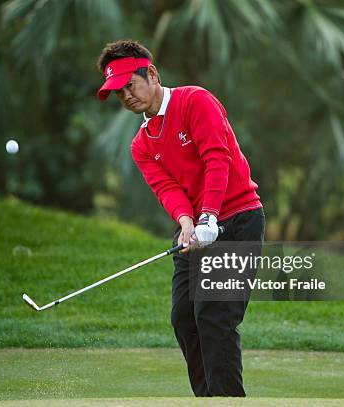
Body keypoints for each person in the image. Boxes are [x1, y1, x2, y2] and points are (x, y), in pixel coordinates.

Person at [96, 39, 265, 397]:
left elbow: (217, 159)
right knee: (184, 317)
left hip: (237, 220)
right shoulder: (142, 143)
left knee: (215, 317)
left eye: (130, 85)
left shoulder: (194, 101)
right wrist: (187, 222)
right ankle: (208, 400)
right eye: (117, 92)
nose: (125, 96)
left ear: (152, 74)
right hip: (198, 228)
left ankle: (227, 402)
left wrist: (208, 217)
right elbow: (168, 189)